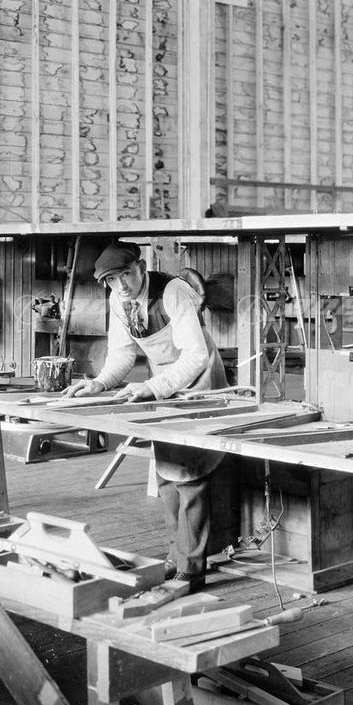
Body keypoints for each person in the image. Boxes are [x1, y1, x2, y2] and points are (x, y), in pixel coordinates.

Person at [62, 241, 227, 592]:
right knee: (166, 473)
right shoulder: (118, 300)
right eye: (112, 280)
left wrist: (154, 387)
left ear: (140, 266)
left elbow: (196, 355)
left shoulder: (174, 292)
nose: (121, 285)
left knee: (191, 476)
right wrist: (100, 383)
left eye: (126, 274)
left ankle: (193, 567)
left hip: (198, 382)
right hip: (162, 384)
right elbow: (122, 353)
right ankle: (175, 557)